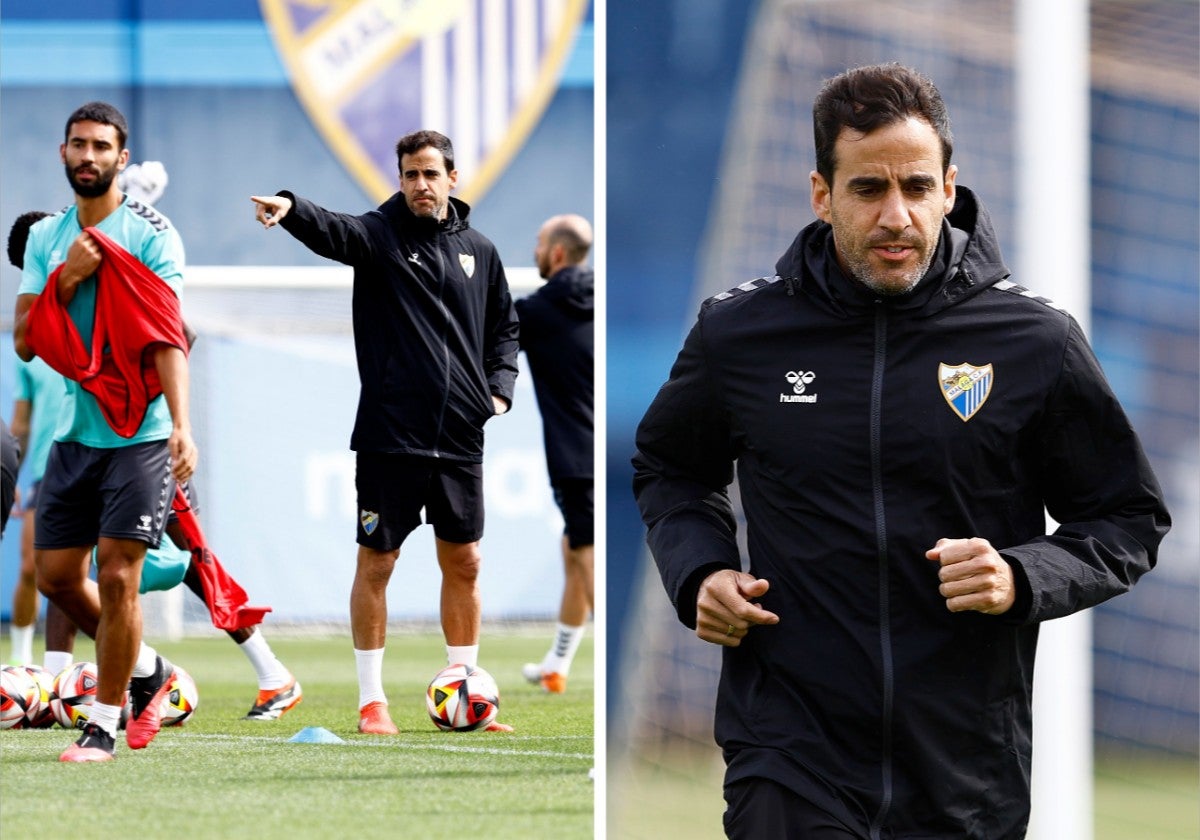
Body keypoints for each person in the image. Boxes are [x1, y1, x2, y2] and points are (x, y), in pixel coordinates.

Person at [631, 63, 1170, 838]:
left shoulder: (1033, 342)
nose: (897, 215)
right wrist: (701, 571)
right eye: (867, 189)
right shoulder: (739, 334)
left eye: (917, 188)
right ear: (822, 193)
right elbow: (671, 469)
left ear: (949, 188)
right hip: (789, 750)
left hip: (964, 768)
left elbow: (1126, 518)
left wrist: (1021, 575)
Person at [251, 129, 520, 734]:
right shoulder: (379, 236)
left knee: (467, 562)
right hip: (389, 436)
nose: (420, 186)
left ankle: (466, 688)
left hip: (460, 437)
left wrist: (498, 392)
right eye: (409, 175)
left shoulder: (482, 249)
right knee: (378, 563)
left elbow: (505, 327)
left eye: (430, 174)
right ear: (399, 180)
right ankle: (373, 702)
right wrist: (291, 208)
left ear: (453, 177)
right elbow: (333, 229)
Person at [6, 208, 301, 720]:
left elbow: (179, 334)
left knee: (192, 561)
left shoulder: (118, 277)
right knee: (64, 568)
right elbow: (28, 384)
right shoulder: (45, 320)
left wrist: (155, 405)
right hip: (75, 452)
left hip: (144, 446)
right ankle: (62, 681)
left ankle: (271, 671)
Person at [13, 101, 199, 762]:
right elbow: (26, 340)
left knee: (119, 576)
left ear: (122, 159)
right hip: (75, 434)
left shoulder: (152, 234)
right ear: (64, 153)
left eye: (101, 147)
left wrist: (181, 424)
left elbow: (168, 336)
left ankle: (103, 724)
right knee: (56, 576)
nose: (88, 156)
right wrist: (68, 275)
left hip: (141, 435)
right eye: (78, 145)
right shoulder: (45, 238)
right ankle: (150, 671)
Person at [516, 214, 595, 694]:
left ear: (557, 253)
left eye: (539, 243)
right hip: (607, 451)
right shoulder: (601, 298)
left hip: (573, 457)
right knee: (575, 550)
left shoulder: (537, 311)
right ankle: (556, 665)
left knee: (586, 557)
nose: (535, 250)